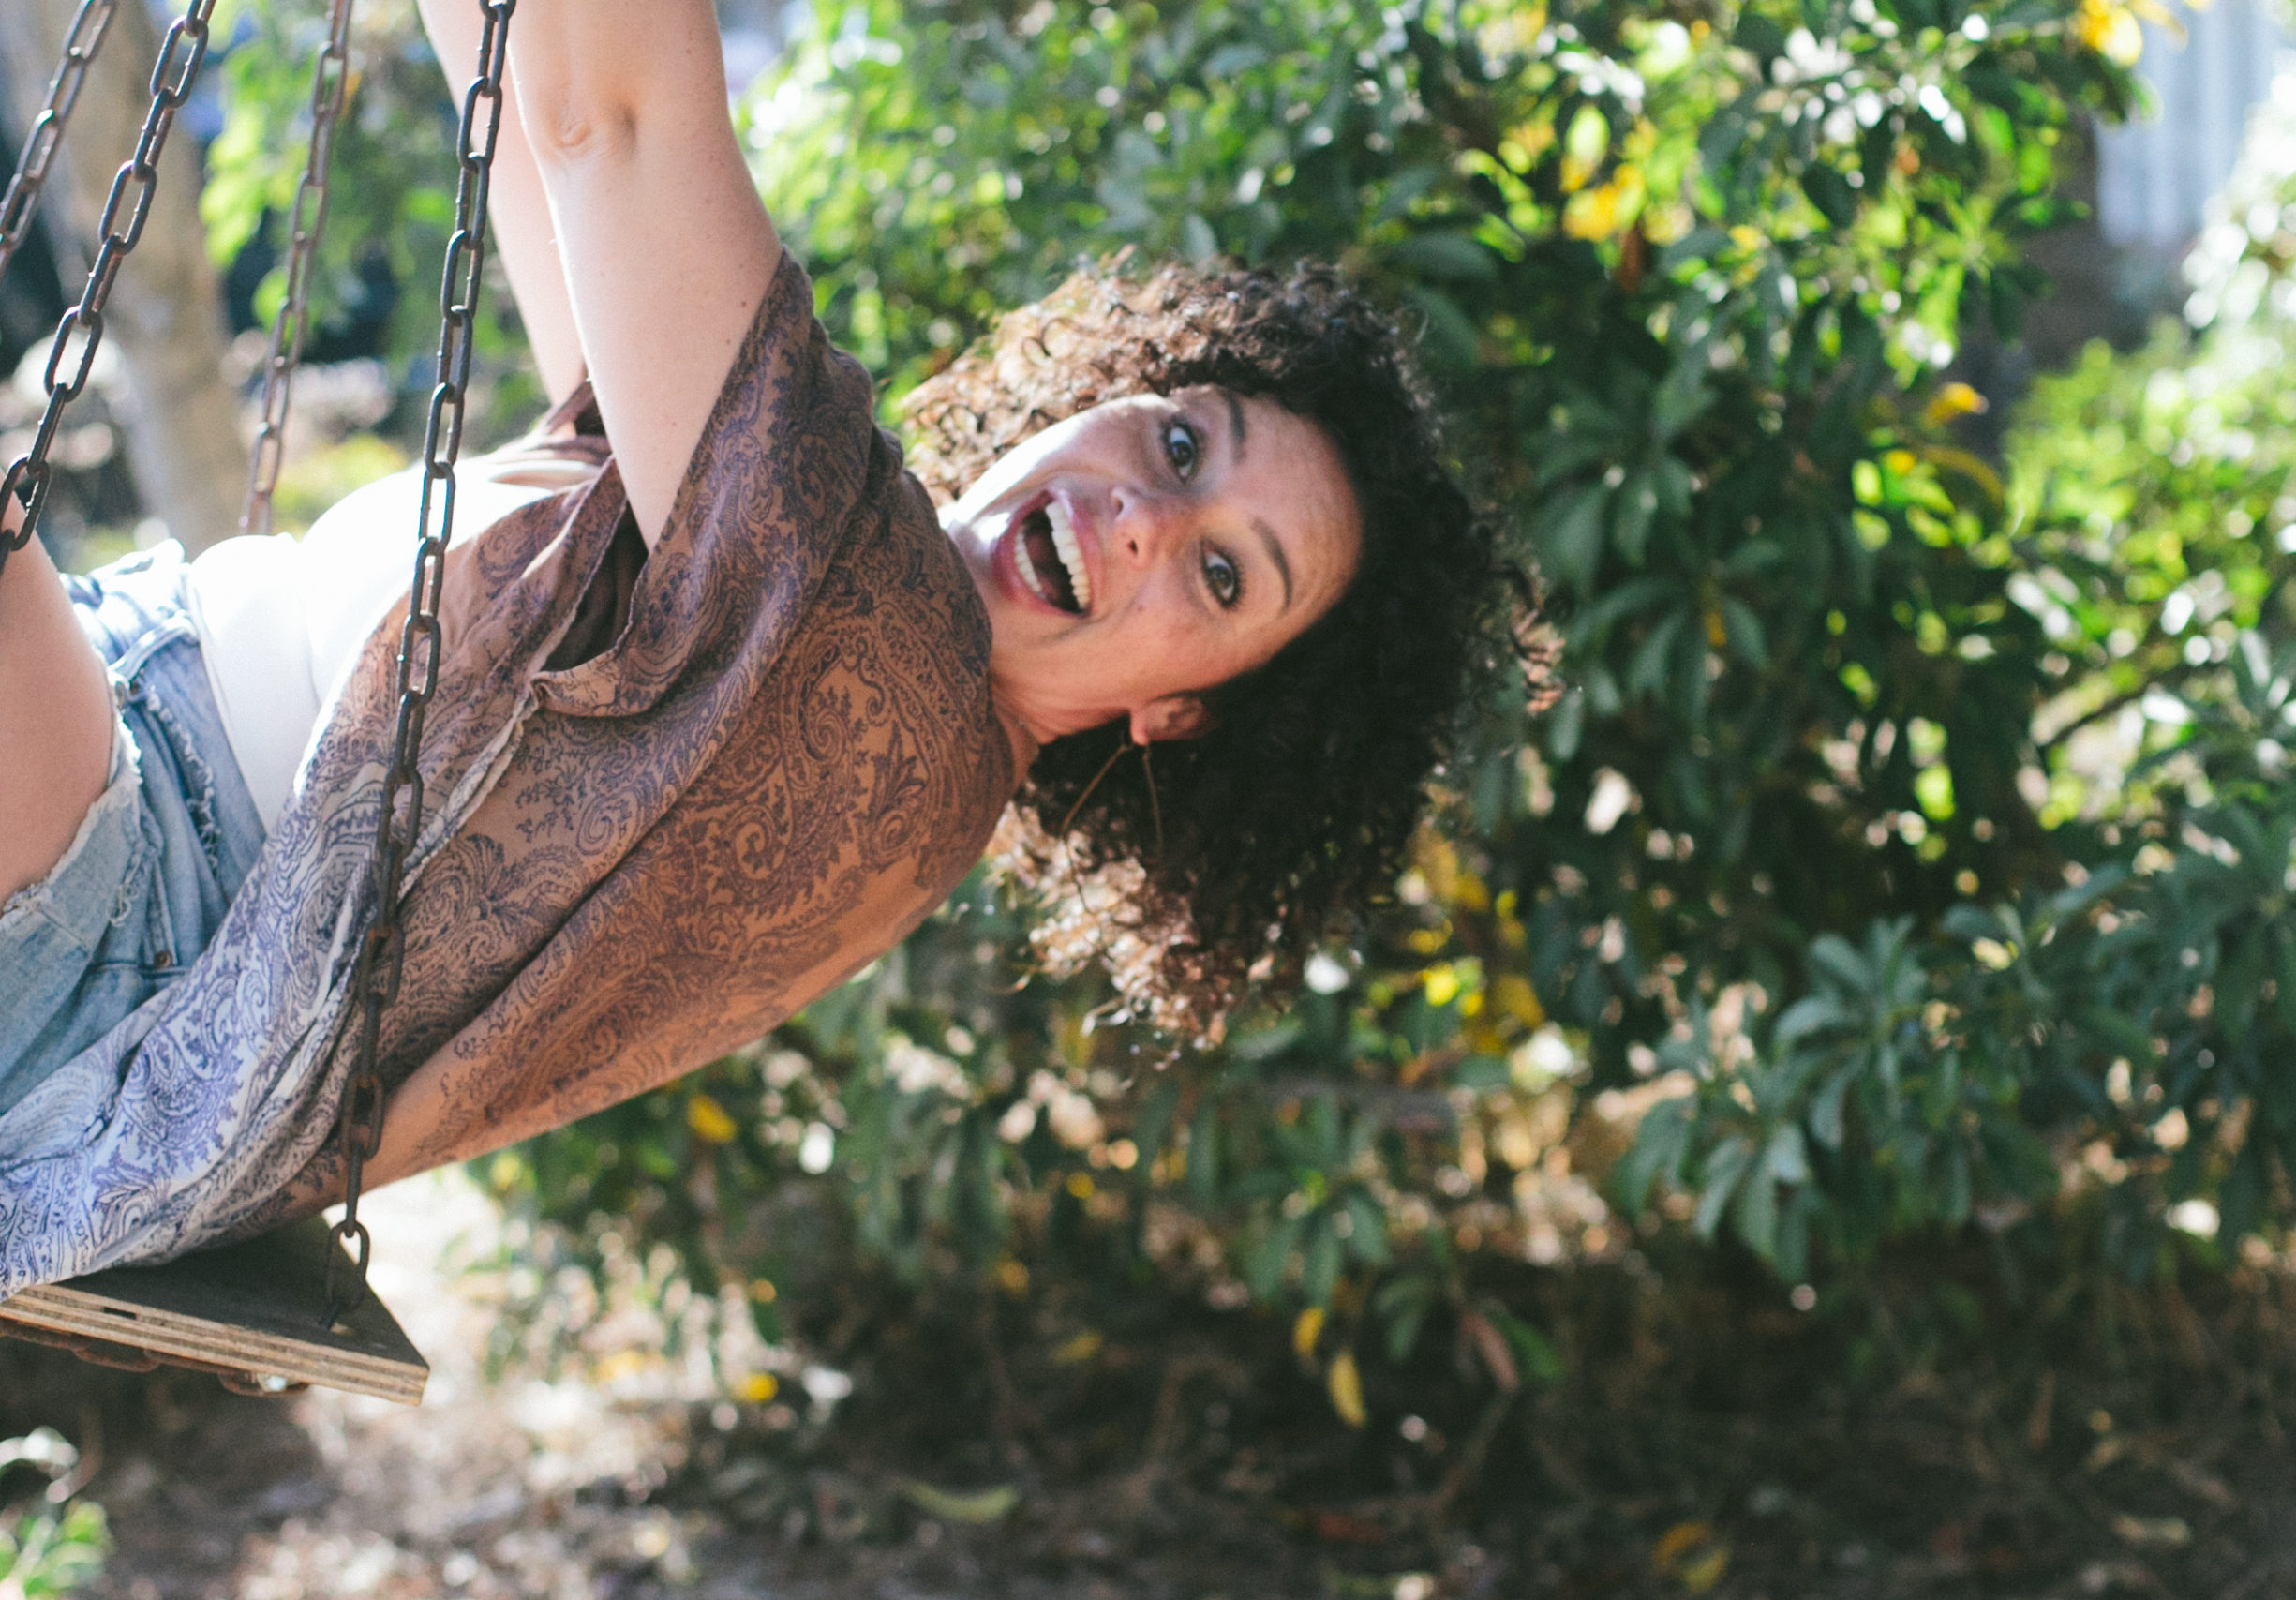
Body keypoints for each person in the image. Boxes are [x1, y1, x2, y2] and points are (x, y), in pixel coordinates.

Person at [0, 0, 1507, 1282]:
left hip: (112, 921)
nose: (1143, 517)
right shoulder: (801, 604)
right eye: (1183, 442)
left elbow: (621, 118)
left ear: (1186, 712)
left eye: (1227, 579)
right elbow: (536, 112)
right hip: (112, 770)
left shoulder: (880, 666)